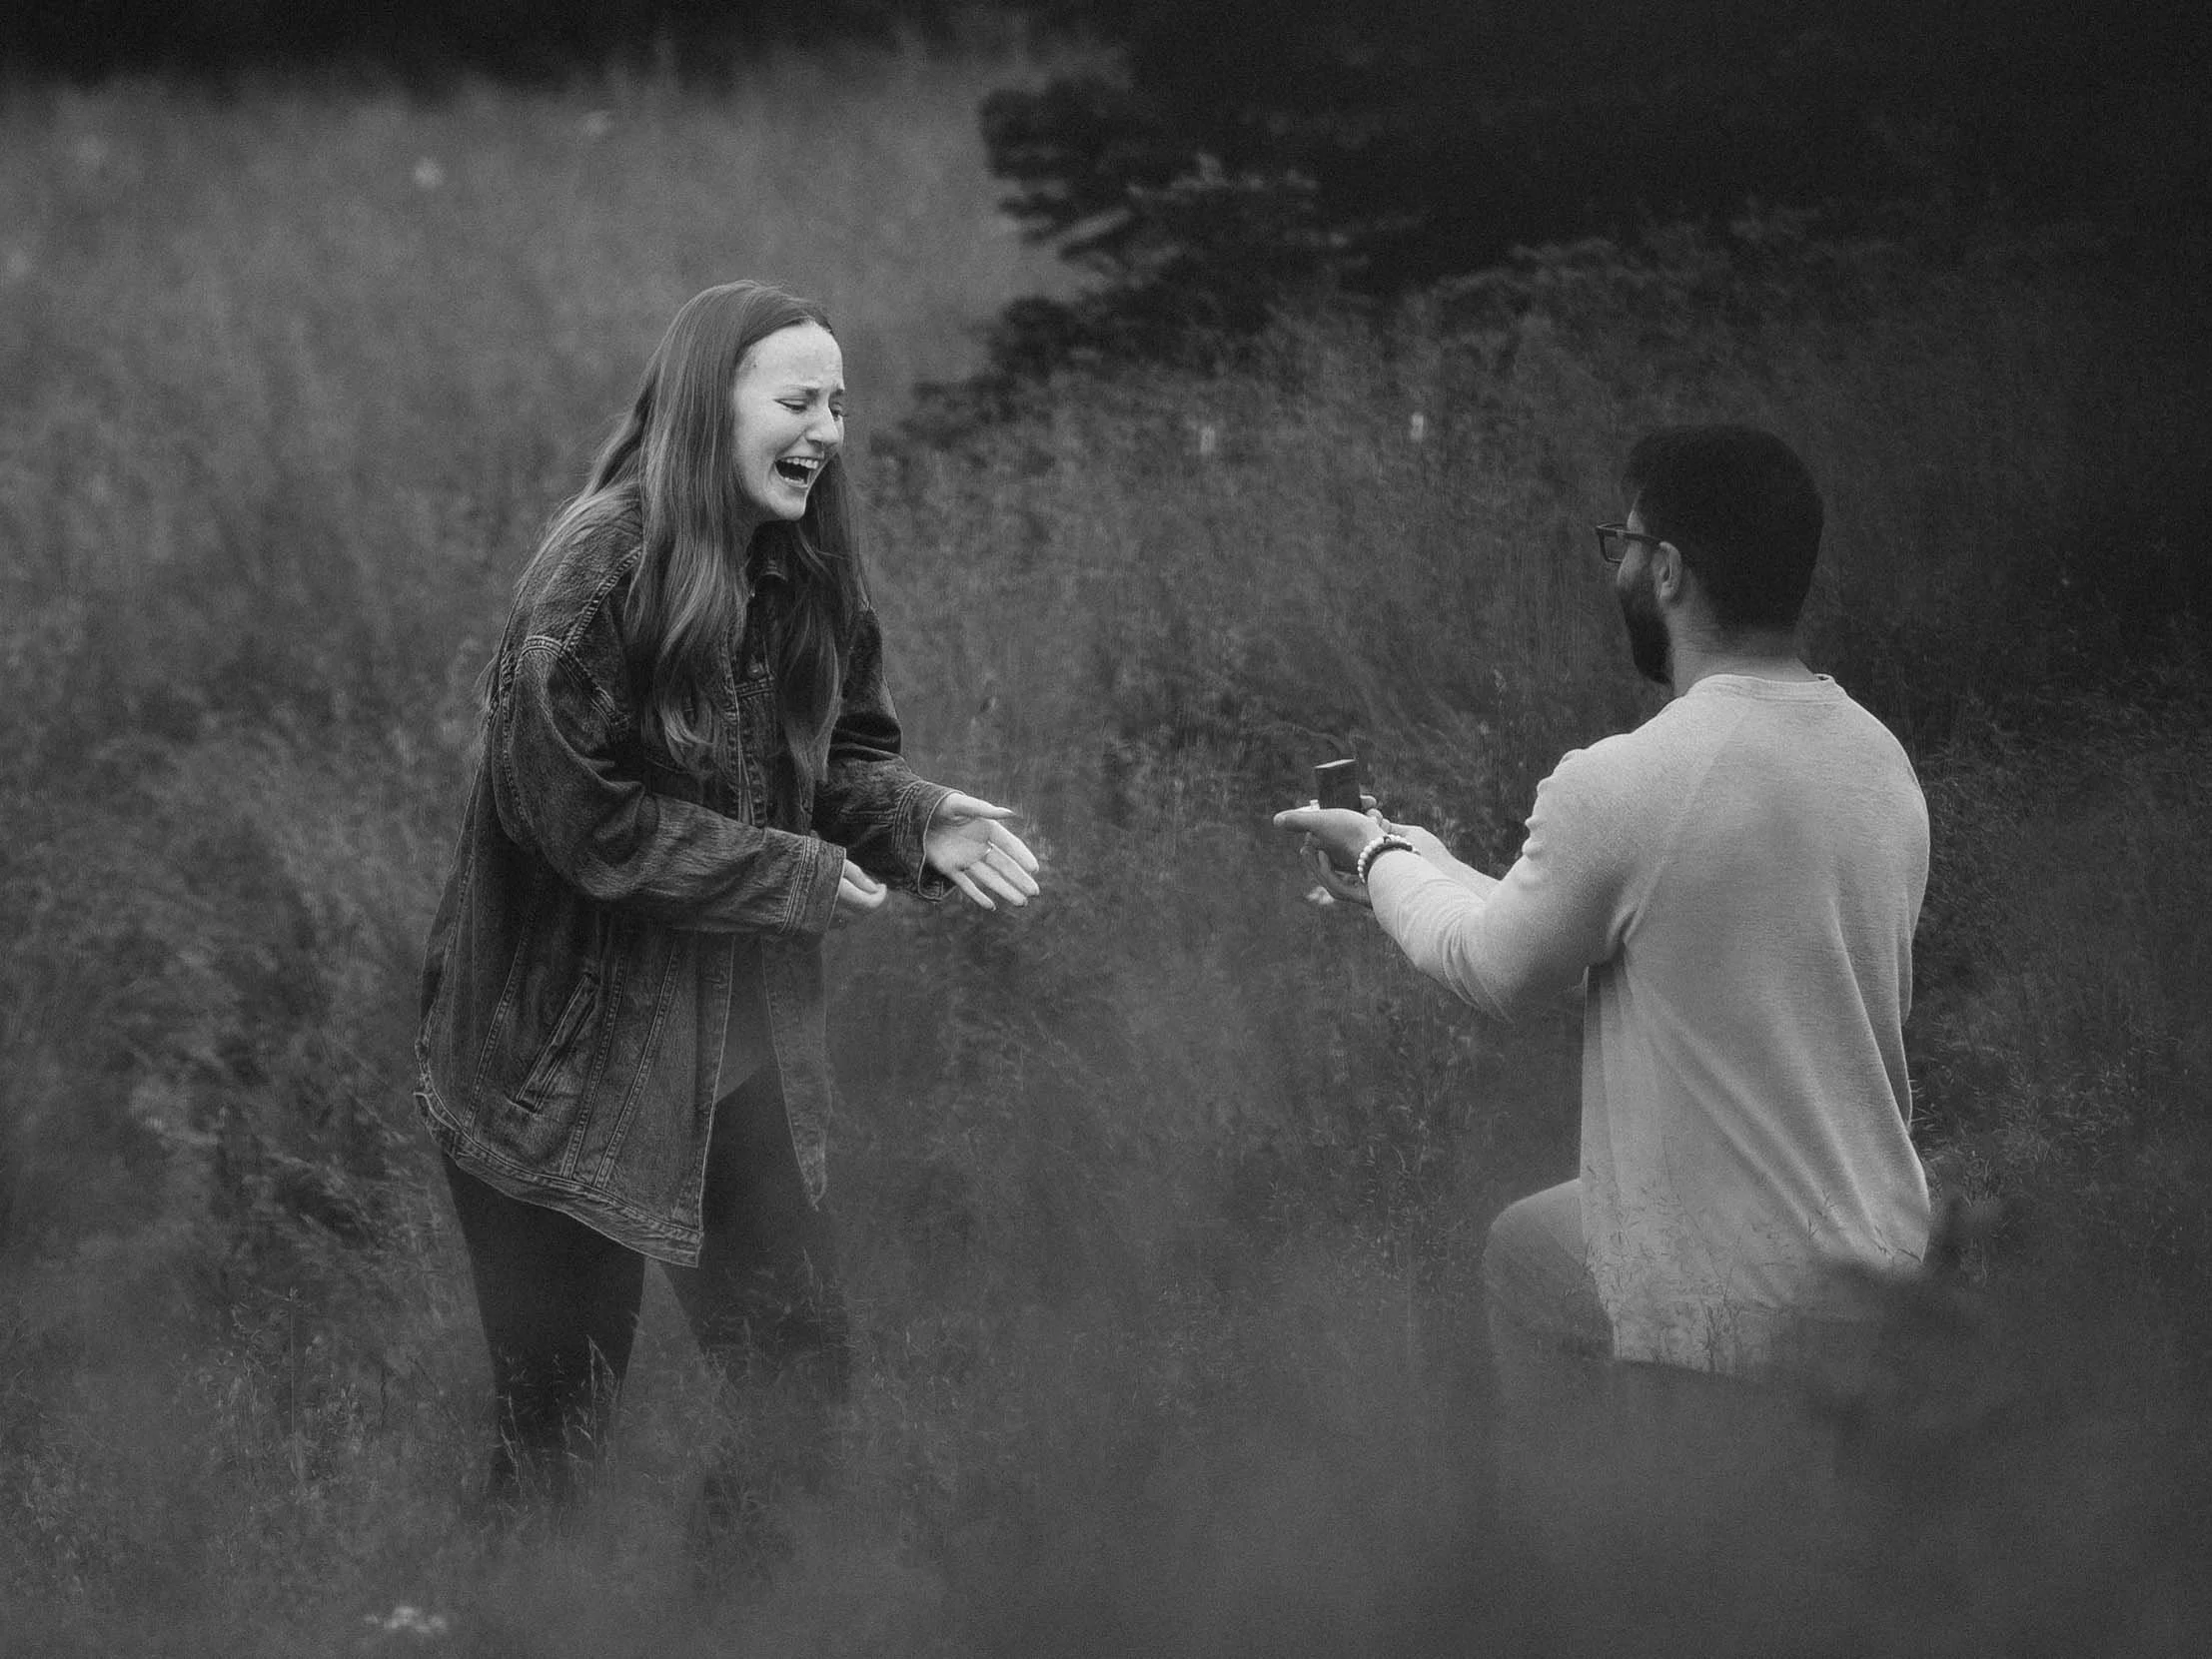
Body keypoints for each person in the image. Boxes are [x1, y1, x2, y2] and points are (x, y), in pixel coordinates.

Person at [412, 280, 1041, 1521]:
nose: (827, 430)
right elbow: (581, 826)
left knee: (801, 1384)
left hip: (729, 1059)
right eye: (798, 399)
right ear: (710, 408)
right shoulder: (593, 581)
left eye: (840, 404)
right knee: (557, 1436)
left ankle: (722, 1619)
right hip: (556, 1068)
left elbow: (839, 759)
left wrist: (920, 817)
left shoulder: (804, 567)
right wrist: (793, 874)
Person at [1274, 425, 1930, 1413]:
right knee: (1538, 1238)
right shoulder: (1880, 765)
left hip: (1733, 1290)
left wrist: (1371, 858)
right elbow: (1634, 942)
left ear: (1667, 571)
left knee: (1508, 1259)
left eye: (1620, 543)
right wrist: (1421, 861)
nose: (1616, 565)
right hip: (1879, 1265)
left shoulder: (1629, 782)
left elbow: (1497, 969)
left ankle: (1575, 1539)